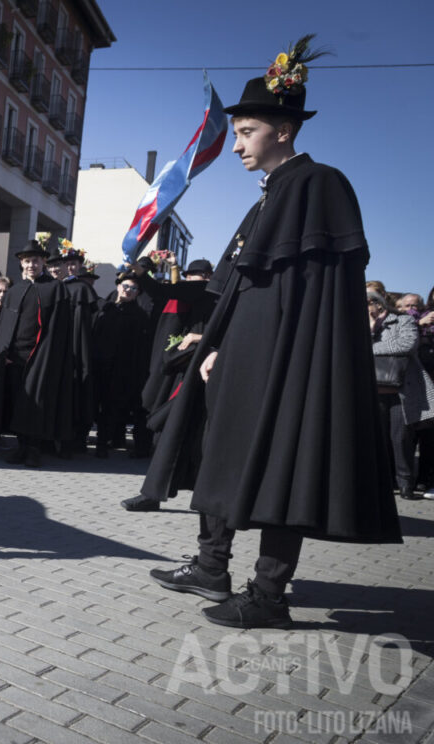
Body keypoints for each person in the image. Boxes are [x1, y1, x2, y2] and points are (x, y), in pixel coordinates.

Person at [148, 37, 400, 628]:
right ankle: (211, 565)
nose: (236, 144)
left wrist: (269, 356)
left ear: (283, 131)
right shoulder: (268, 198)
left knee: (285, 463)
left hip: (289, 362)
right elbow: (242, 286)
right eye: (236, 134)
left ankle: (268, 595)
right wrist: (212, 346)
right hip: (242, 358)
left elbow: (313, 295)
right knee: (220, 452)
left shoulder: (319, 184)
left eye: (246, 132)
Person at [121, 257, 219, 511]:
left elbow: (163, 289)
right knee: (175, 433)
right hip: (179, 371)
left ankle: (155, 494)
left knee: (170, 431)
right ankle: (158, 493)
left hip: (189, 375)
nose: (191, 281)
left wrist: (142, 274)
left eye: (194, 276)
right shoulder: (203, 294)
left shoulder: (204, 292)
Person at [0, 236, 72, 467]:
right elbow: (5, 328)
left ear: (44, 263)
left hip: (40, 357)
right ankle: (21, 446)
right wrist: (4, 353)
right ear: (21, 263)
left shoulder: (55, 289)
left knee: (36, 404)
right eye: (28, 261)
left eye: (36, 261)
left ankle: (34, 450)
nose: (32, 265)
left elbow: (60, 330)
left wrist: (47, 356)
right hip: (14, 358)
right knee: (17, 402)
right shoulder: (14, 290)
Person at [369, 291, 434, 499]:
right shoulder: (359, 323)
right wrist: (370, 330)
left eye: (369, 302)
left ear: (379, 304)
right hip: (372, 390)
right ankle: (383, 482)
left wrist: (368, 348)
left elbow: (406, 344)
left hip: (401, 391)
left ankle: (405, 483)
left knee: (401, 439)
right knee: (378, 440)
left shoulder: (403, 320)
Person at [47, 238, 98, 456]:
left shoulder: (82, 290)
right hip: (55, 351)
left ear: (79, 266)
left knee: (77, 394)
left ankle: (74, 440)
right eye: (66, 263)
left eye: (74, 263)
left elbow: (91, 327)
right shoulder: (53, 287)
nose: (70, 267)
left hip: (79, 352)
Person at [92, 274, 151, 459]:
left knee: (111, 406)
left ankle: (104, 442)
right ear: (118, 287)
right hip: (99, 364)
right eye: (125, 286)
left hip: (121, 368)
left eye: (133, 289)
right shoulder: (105, 308)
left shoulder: (140, 316)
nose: (128, 290)